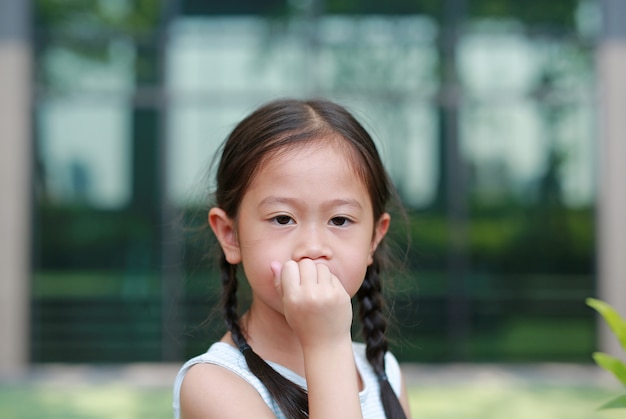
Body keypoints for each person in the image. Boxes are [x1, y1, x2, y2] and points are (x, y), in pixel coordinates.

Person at [173, 98, 412, 419]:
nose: (312, 247)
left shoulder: (383, 372)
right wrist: (326, 346)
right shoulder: (214, 385)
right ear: (230, 235)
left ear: (373, 239)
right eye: (283, 218)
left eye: (340, 220)